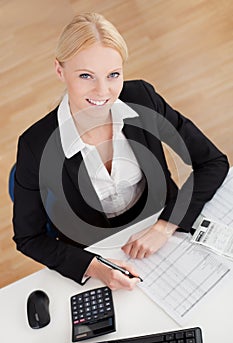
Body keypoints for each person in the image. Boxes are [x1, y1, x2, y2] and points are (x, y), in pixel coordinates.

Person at [13, 12, 229, 291]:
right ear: (59, 71)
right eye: (86, 76)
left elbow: (212, 161)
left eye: (113, 75)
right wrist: (96, 267)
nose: (103, 92)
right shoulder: (35, 145)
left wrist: (165, 226)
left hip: (163, 232)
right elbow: (29, 238)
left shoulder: (143, 99)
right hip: (99, 255)